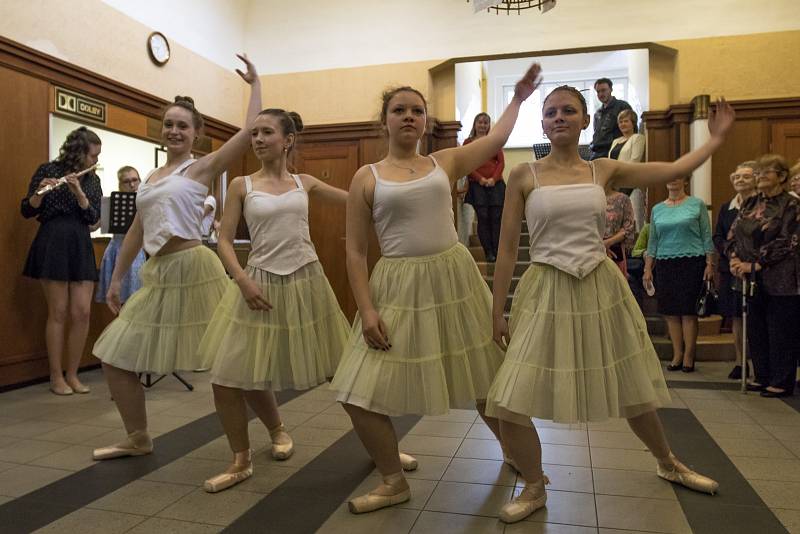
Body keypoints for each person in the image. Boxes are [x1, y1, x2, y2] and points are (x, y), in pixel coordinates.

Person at [486, 85, 733, 523]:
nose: (558, 117)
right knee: (509, 397)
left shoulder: (603, 168)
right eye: (550, 112)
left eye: (568, 111)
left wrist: (713, 141)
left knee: (631, 386)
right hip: (545, 288)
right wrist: (496, 309)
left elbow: (671, 169)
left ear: (585, 121)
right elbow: (507, 249)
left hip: (599, 286)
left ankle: (667, 461)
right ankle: (535, 483)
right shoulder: (524, 175)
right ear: (541, 123)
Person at [330, 64, 542, 515]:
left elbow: (497, 140)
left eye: (416, 111)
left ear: (426, 121)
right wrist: (366, 310)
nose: (408, 116)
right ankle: (392, 480)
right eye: (399, 110)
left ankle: (523, 462)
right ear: (384, 120)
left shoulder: (443, 161)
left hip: (453, 280)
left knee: (489, 381)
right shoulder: (366, 176)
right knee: (357, 392)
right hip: (397, 285)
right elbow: (355, 252)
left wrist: (519, 98)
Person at [90, 54, 261, 461]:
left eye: (183, 125)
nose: (174, 130)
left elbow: (248, 132)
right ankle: (138, 437)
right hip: (159, 273)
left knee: (233, 356)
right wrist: (115, 279)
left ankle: (275, 426)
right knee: (115, 356)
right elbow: (135, 230)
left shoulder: (200, 168)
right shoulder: (150, 179)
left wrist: (256, 86)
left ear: (196, 133)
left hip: (195, 268)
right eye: (168, 124)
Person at [198, 109, 353, 492]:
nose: (258, 139)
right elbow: (224, 239)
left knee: (346, 369)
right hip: (259, 282)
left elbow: (361, 200)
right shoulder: (241, 185)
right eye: (254, 133)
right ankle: (243, 456)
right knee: (230, 374)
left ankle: (384, 448)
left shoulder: (306, 183)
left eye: (267, 132)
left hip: (307, 280)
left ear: (288, 140)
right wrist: (242, 280)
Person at [21, 126, 103, 395]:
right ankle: (56, 376)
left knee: (82, 312)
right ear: (79, 153)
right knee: (58, 312)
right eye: (93, 156)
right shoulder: (47, 170)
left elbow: (93, 218)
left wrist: (79, 192)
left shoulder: (91, 180)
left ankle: (73, 374)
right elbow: (27, 209)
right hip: (53, 240)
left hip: (80, 242)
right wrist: (39, 193)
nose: (96, 161)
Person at [727, 154, 800, 398]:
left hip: (782, 278)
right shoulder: (750, 202)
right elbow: (735, 231)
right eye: (758, 172)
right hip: (749, 276)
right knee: (756, 328)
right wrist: (735, 258)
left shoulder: (791, 204)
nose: (760, 176)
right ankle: (762, 375)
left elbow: (789, 240)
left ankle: (781, 379)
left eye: (766, 172)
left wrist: (757, 263)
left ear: (781, 176)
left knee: (780, 330)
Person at [644, 176, 715, 373]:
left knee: (688, 312)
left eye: (678, 177)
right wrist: (648, 268)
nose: (673, 181)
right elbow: (653, 241)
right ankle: (677, 354)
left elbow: (706, 236)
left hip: (692, 261)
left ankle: (689, 356)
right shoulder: (657, 209)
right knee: (670, 312)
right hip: (665, 263)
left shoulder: (696, 204)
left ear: (685, 181)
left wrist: (710, 264)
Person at [713, 162, 757, 380]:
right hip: (731, 269)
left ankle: (760, 364)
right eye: (737, 177)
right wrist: (732, 256)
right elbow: (719, 236)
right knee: (736, 318)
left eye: (746, 177)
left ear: (756, 179)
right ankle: (740, 362)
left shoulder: (762, 206)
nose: (740, 180)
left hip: (756, 270)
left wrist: (747, 261)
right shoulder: (726, 207)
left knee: (756, 318)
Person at [95, 166, 146, 306]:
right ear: (120, 184)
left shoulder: (146, 202)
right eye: (126, 181)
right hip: (116, 250)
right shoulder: (112, 204)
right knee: (117, 302)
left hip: (136, 251)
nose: (132, 184)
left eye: (135, 180)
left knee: (136, 302)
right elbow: (96, 225)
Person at [463, 113, 505, 262]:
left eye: (486, 123)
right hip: (477, 185)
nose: (482, 125)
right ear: (475, 124)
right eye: (480, 122)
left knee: (496, 218)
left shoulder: (493, 141)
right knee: (483, 217)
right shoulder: (468, 142)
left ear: (489, 126)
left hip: (496, 184)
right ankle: (488, 252)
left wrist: (493, 179)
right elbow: (466, 163)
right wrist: (480, 179)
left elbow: (500, 162)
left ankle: (497, 251)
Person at [608, 109, 647, 229]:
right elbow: (609, 161)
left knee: (634, 222)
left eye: (626, 121)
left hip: (631, 185)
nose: (622, 124)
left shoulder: (638, 138)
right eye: (620, 122)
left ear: (633, 123)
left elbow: (634, 161)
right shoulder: (616, 141)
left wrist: (619, 175)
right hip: (615, 185)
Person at [589, 78, 632, 161]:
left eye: (604, 90)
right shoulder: (597, 113)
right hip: (596, 153)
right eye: (598, 91)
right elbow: (597, 133)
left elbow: (631, 130)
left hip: (613, 153)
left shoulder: (622, 106)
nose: (601, 94)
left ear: (611, 90)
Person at [603, 189, 635, 275]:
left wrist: (607, 243)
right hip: (592, 253)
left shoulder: (623, 199)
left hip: (615, 253)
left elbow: (628, 229)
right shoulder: (590, 198)